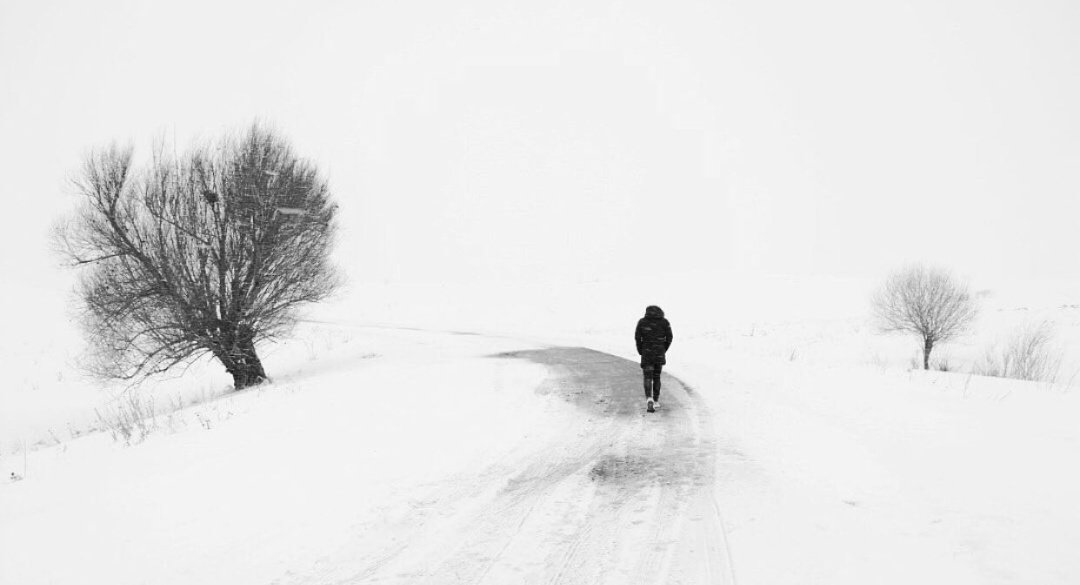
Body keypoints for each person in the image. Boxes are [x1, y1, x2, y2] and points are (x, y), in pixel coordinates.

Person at [635, 305, 673, 412]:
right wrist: (663, 348)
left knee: (647, 377)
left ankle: (649, 399)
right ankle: (656, 400)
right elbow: (669, 337)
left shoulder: (642, 322)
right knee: (656, 377)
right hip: (659, 353)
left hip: (647, 353)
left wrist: (641, 350)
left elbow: (637, 338)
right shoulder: (664, 322)